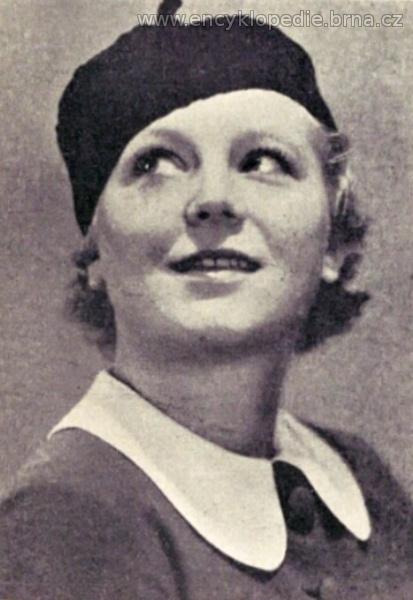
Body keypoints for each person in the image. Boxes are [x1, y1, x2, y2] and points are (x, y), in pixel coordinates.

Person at [0, 3, 412, 599]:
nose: (213, 200)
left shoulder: (361, 484)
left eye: (263, 161)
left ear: (334, 243)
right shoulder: (69, 526)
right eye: (156, 164)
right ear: (94, 256)